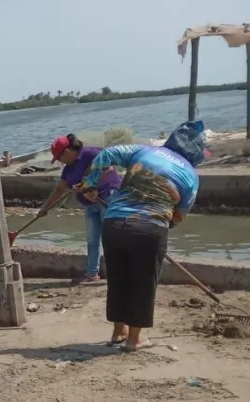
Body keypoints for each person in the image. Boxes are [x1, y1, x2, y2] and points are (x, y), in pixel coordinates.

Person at [79, 120, 206, 352]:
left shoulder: (144, 151)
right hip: (150, 228)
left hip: (114, 223)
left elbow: (107, 153)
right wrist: (159, 230)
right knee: (143, 283)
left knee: (118, 279)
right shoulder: (191, 175)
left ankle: (119, 332)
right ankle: (135, 339)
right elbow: (180, 214)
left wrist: (90, 184)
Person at [37, 133, 122, 282]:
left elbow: (109, 170)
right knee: (92, 240)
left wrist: (90, 185)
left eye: (59, 158)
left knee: (111, 238)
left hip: (107, 198)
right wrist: (45, 208)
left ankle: (118, 273)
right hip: (90, 205)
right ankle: (92, 273)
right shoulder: (68, 169)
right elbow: (59, 190)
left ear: (67, 152)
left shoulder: (92, 153)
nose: (60, 162)